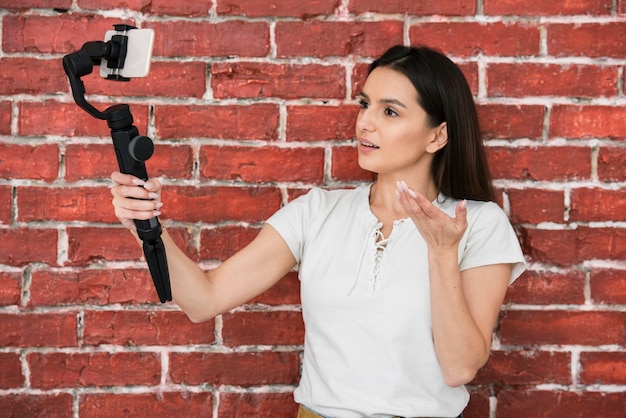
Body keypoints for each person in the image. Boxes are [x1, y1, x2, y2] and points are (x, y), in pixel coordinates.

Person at [110, 45, 525, 418]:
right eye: (365, 104)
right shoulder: (318, 211)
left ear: (438, 135)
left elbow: (459, 368)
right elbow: (204, 299)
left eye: (390, 111)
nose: (365, 123)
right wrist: (145, 226)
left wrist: (440, 253)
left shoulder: (478, 224)